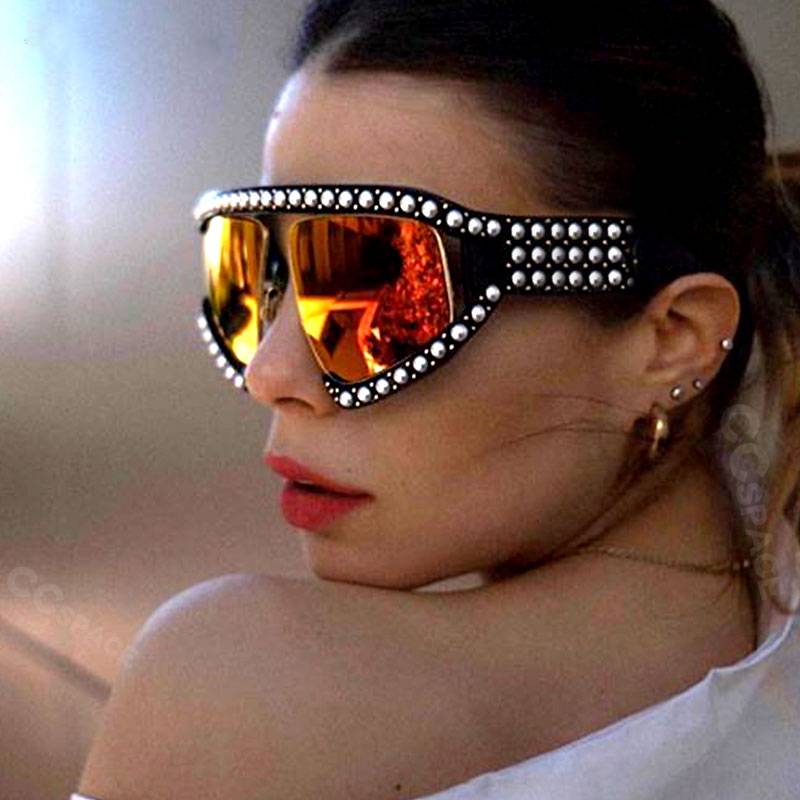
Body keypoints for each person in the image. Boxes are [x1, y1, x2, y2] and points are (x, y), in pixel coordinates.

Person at [72, 1, 800, 798]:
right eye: (255, 272)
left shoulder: (236, 690)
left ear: (673, 340)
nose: (269, 373)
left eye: (379, 281)